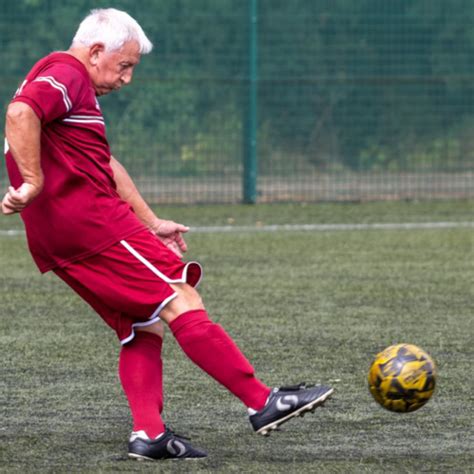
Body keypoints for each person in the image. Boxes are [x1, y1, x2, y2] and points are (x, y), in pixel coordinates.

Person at [2, 8, 333, 461]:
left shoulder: (65, 82)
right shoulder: (67, 73)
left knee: (142, 324)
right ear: (96, 51)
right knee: (179, 296)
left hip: (58, 237)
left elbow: (105, 166)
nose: (127, 79)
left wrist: (151, 222)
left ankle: (149, 435)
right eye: (125, 66)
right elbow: (20, 114)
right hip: (90, 224)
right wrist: (33, 182)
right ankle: (262, 401)